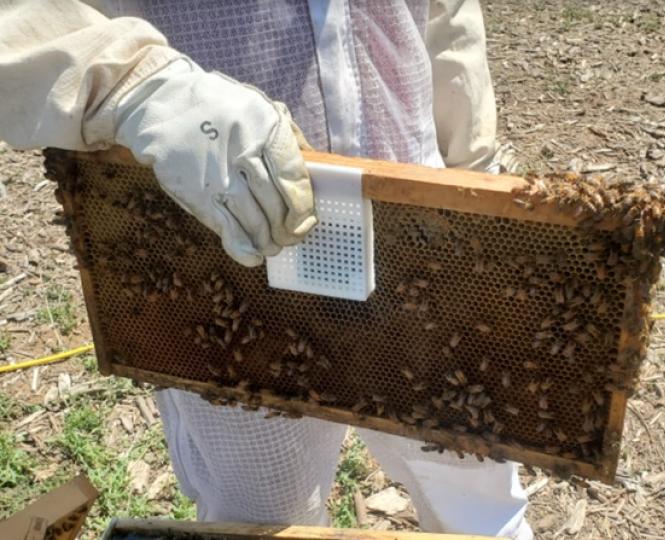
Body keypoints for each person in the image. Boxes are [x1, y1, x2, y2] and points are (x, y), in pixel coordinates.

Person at [0, 1, 531, 538]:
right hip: (221, 241)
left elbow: (444, 15)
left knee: (473, 481)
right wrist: (139, 87)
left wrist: (473, 165)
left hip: (418, 228)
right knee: (265, 516)